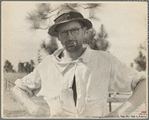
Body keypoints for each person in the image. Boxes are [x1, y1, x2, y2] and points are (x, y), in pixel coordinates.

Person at [12, 6, 146, 118]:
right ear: (58, 36)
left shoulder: (104, 61)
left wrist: (119, 114)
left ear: (84, 32)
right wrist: (35, 110)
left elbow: (144, 84)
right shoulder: (47, 66)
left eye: (75, 31)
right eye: (64, 32)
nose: (70, 37)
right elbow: (18, 89)